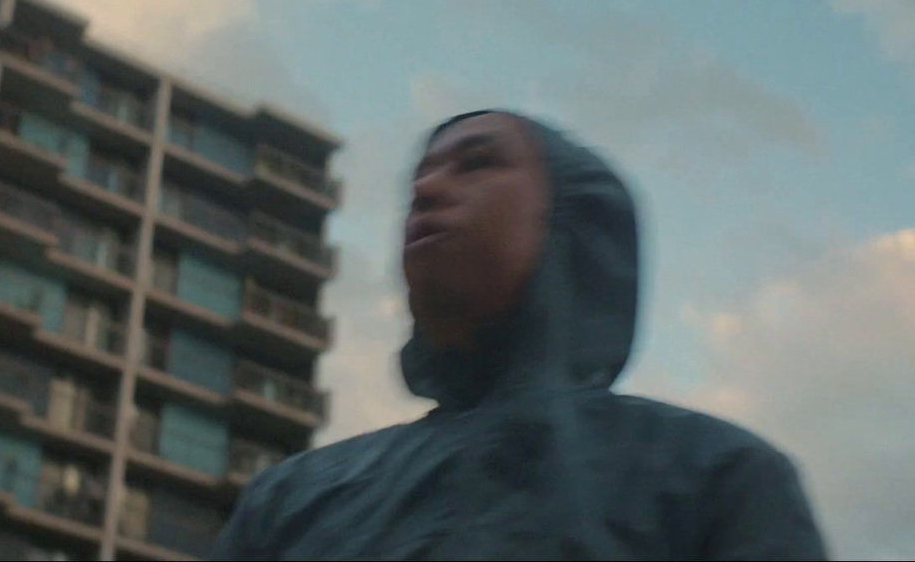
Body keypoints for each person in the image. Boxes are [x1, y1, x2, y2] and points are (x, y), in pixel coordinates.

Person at [211, 110, 827, 560]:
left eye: (476, 163)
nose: (425, 190)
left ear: (567, 224)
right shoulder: (288, 501)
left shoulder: (718, 477)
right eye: (419, 179)